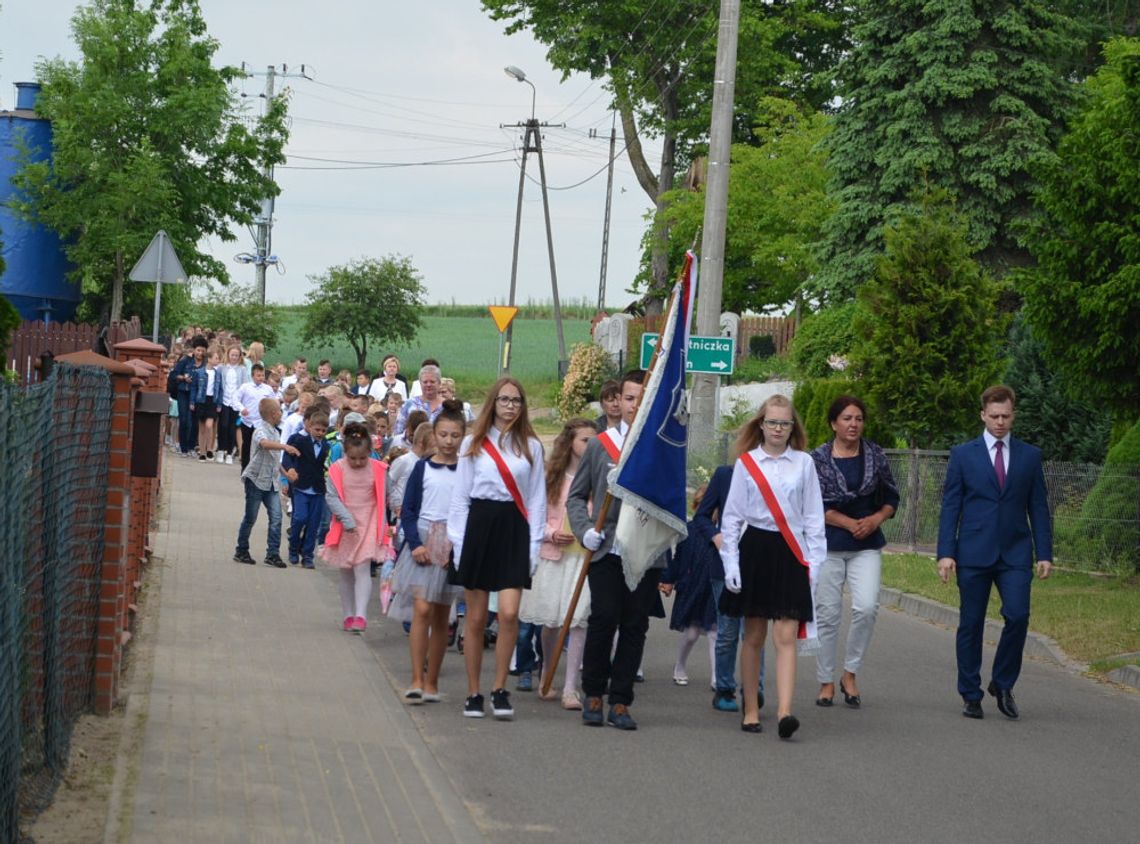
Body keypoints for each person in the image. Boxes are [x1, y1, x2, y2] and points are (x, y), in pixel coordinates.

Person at [937, 385, 1052, 721]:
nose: (1000, 422)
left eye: (1006, 416)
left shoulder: (1029, 456)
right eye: (994, 416)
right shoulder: (963, 454)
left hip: (1016, 552)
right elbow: (951, 506)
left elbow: (1039, 507)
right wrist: (946, 552)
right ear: (983, 415)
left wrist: (1044, 552)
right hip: (973, 551)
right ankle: (970, 694)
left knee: (1017, 616)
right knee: (970, 624)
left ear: (1013, 415)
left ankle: (1002, 684)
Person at [719, 394, 825, 739]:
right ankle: (750, 709)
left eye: (785, 423)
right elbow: (732, 518)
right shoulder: (747, 464)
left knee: (786, 635)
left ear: (793, 427)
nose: (779, 428)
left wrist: (816, 562)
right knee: (754, 635)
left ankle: (784, 712)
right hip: (756, 550)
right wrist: (731, 562)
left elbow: (813, 517)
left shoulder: (804, 464)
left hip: (791, 552)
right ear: (761, 425)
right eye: (773, 422)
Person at [567, 369, 665, 731]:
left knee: (635, 625)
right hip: (606, 548)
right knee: (605, 617)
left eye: (642, 398)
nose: (634, 405)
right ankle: (594, 691)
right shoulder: (599, 445)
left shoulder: (662, 448)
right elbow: (577, 497)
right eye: (628, 397)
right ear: (617, 401)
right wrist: (583, 530)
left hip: (646, 549)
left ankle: (621, 700)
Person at [448, 376, 546, 720]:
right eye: (504, 399)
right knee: (475, 619)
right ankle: (474, 692)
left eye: (516, 400)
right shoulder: (473, 443)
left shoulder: (532, 447)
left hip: (514, 528)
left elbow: (537, 500)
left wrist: (533, 548)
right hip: (479, 527)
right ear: (494, 402)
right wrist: (458, 545)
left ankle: (500, 689)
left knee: (508, 614)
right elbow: (459, 498)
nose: (510, 406)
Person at [810, 395, 900, 709]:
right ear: (834, 423)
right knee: (828, 615)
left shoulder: (876, 455)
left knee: (866, 607)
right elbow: (811, 505)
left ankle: (850, 673)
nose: (853, 424)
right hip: (829, 545)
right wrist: (848, 523)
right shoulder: (817, 460)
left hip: (867, 545)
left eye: (858, 418)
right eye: (847, 418)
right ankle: (825, 682)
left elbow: (891, 497)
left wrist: (875, 519)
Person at [390, 401, 467, 703]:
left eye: (455, 435)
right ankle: (416, 678)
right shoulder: (422, 467)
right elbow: (408, 510)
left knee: (441, 616)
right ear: (434, 434)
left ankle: (433, 680)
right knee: (421, 609)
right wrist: (415, 543)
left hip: (451, 544)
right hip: (422, 540)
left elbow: (468, 511)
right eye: (444, 434)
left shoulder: (465, 470)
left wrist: (457, 548)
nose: (449, 441)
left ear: (463, 436)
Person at [519, 418, 596, 710]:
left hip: (583, 558)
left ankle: (570, 687)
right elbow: (534, 515)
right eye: (585, 441)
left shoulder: (598, 477)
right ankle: (547, 674)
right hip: (555, 556)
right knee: (551, 623)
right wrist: (551, 533)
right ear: (570, 443)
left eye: (593, 441)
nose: (590, 446)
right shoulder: (551, 475)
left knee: (578, 621)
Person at [322, 422, 391, 632]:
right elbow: (332, 498)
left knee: (362, 567)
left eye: (362, 458)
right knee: (345, 571)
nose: (358, 462)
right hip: (345, 523)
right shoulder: (336, 469)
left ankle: (361, 615)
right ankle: (348, 614)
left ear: (370, 452)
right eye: (352, 458)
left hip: (370, 520)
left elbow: (388, 493)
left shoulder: (379, 469)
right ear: (345, 453)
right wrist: (346, 519)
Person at [659, 485, 718, 690]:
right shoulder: (688, 530)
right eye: (703, 504)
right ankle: (680, 666)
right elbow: (676, 558)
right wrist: (668, 579)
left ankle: (716, 678)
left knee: (714, 632)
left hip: (713, 586)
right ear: (696, 505)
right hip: (692, 585)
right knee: (692, 633)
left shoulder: (720, 532)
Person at [233, 398, 300, 568]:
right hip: (255, 480)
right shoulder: (259, 430)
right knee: (250, 517)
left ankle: (273, 553)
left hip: (271, 482)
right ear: (272, 414)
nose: (281, 413)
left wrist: (286, 474)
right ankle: (241, 550)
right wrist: (285, 447)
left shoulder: (276, 433)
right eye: (279, 411)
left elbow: (275, 460)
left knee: (276, 517)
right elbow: (264, 444)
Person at [282, 408, 331, 569]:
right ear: (309, 427)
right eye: (317, 429)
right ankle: (294, 547)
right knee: (299, 518)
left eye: (323, 430)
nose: (320, 433)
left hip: (318, 489)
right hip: (301, 486)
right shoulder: (299, 440)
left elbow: (328, 465)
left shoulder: (327, 445)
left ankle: (308, 555)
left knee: (313, 524)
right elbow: (287, 457)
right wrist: (289, 470)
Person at [236, 364, 276, 472]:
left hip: (261, 422)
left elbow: (273, 403)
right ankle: (245, 468)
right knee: (247, 445)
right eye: (258, 375)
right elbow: (235, 399)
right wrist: (241, 408)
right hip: (247, 421)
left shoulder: (268, 389)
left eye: (262, 375)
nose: (261, 378)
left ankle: (257, 469)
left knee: (260, 446)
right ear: (253, 375)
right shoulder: (245, 387)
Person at [217, 345, 249, 464]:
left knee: (232, 428)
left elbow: (244, 386)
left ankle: (229, 452)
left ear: (239, 356)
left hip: (236, 402)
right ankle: (221, 449)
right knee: (223, 425)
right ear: (228, 355)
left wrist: (242, 403)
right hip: (224, 400)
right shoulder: (222, 367)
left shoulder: (242, 369)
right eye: (232, 355)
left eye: (236, 355)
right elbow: (219, 384)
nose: (234, 357)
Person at [190, 348, 223, 462]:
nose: (218, 360)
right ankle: (202, 452)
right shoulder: (199, 372)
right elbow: (194, 388)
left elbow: (220, 389)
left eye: (218, 358)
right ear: (209, 359)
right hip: (201, 400)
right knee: (202, 428)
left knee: (209, 425)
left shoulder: (218, 373)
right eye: (216, 358)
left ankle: (209, 449)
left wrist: (219, 403)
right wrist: (192, 402)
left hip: (212, 401)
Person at [395, 364, 444, 436]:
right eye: (425, 382)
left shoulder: (447, 406)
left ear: (439, 383)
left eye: (432, 382)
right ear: (420, 383)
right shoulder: (409, 404)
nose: (428, 385)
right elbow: (398, 432)